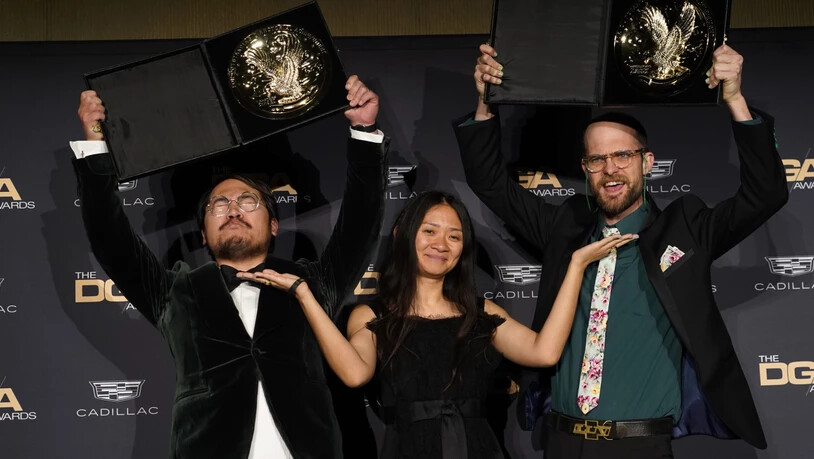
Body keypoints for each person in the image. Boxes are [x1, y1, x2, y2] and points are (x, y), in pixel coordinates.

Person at [454, 43, 788, 458]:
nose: (610, 168)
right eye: (597, 159)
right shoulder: (564, 228)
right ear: (585, 168)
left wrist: (735, 98)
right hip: (561, 442)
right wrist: (487, 102)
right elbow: (490, 184)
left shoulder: (686, 230)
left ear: (646, 162)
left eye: (622, 156)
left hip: (640, 445)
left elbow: (765, 194)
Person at [70, 75, 388, 458]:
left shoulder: (312, 283)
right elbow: (109, 237)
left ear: (273, 225)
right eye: (219, 205)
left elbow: (360, 225)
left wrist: (365, 131)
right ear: (203, 233)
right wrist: (94, 144)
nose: (233, 209)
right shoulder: (175, 292)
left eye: (248, 201)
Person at [238, 190, 637, 458]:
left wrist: (576, 266)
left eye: (454, 236)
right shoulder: (372, 315)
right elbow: (355, 373)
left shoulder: (483, 314)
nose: (440, 244)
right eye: (429, 231)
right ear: (403, 235)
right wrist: (305, 295)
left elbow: (544, 351)